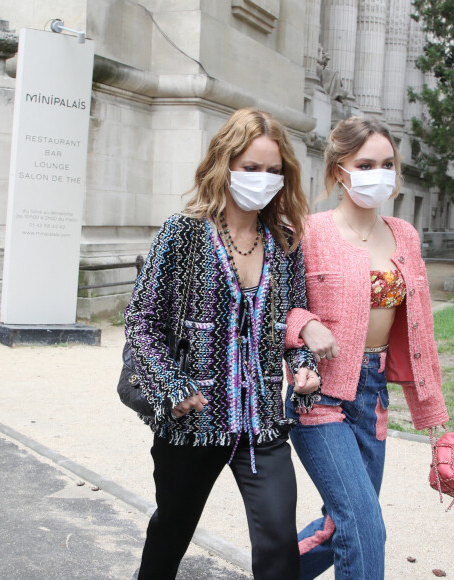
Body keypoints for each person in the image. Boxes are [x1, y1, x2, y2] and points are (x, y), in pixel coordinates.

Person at [124, 108, 321, 580]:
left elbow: (294, 319)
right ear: (225, 164)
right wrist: (173, 386)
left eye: (274, 171)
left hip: (262, 424)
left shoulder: (285, 240)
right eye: (251, 168)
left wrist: (303, 362)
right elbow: (141, 321)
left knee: (278, 545)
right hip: (194, 422)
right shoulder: (183, 233)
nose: (263, 179)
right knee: (172, 529)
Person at [284, 116, 449, 580]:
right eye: (365, 164)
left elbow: (422, 331)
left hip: (373, 395)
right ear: (339, 170)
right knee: (366, 526)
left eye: (387, 164)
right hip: (320, 396)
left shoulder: (405, 235)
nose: (379, 174)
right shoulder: (307, 230)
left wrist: (434, 419)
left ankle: (273, 571)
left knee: (346, 523)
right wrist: (306, 324)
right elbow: (275, 308)